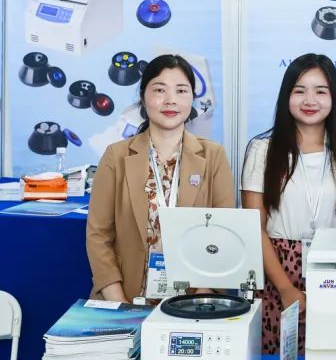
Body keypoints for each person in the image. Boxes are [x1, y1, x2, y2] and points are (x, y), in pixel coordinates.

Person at [241, 54, 336, 355]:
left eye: (320, 91)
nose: (310, 100)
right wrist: (286, 288)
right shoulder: (262, 151)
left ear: (334, 98)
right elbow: (254, 228)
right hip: (275, 270)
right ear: (286, 96)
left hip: (332, 269)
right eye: (300, 91)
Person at [87, 54, 235, 303]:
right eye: (159, 90)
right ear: (143, 97)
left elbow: (223, 232)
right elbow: (98, 235)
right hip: (126, 298)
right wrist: (120, 303)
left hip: (192, 300)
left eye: (181, 91)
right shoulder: (116, 156)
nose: (171, 100)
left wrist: (199, 300)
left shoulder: (213, 156)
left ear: (192, 99)